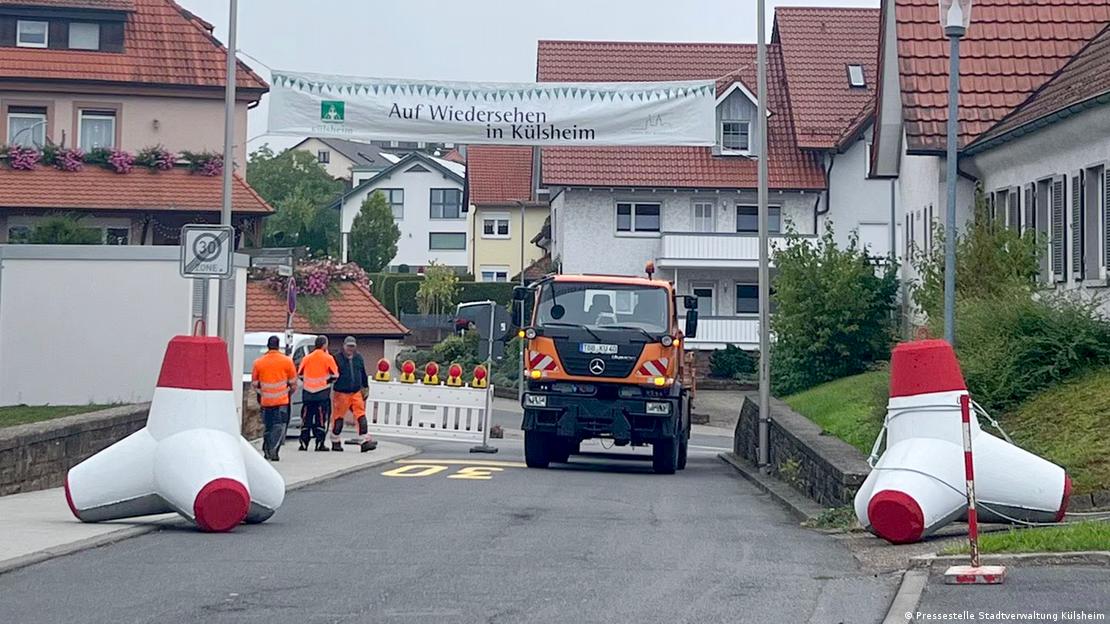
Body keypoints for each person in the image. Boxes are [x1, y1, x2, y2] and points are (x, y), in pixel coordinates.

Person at [251, 335, 298, 462]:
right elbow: (293, 383)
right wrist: (288, 393)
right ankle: (274, 451)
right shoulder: (287, 361)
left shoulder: (258, 362)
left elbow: (255, 384)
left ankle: (267, 450)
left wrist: (262, 394)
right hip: (282, 401)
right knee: (279, 426)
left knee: (268, 426)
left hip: (265, 401)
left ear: (268, 346)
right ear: (278, 346)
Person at [330, 336, 377, 453]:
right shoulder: (336, 358)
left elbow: (363, 373)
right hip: (341, 393)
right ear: (344, 346)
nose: (350, 349)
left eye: (353, 346)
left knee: (361, 415)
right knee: (338, 418)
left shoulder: (358, 358)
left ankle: (364, 441)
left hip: (356, 392)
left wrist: (365, 387)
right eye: (349, 346)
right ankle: (335, 441)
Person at [297, 335, 338, 452]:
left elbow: (300, 374)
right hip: (322, 394)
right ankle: (319, 444)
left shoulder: (307, 358)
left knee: (306, 419)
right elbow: (335, 375)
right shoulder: (328, 358)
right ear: (325, 345)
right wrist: (327, 381)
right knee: (321, 419)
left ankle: (303, 443)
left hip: (307, 395)